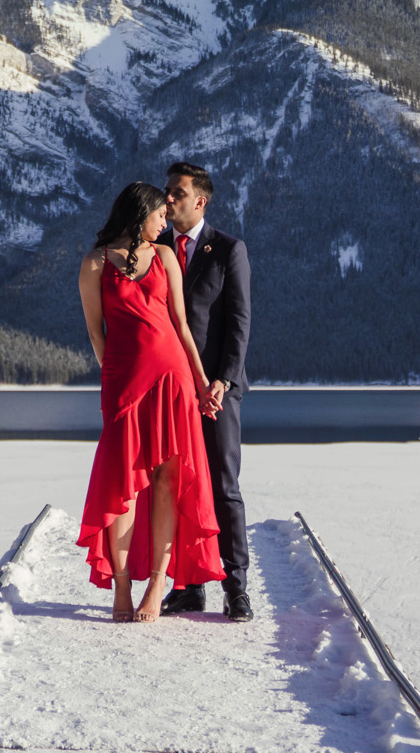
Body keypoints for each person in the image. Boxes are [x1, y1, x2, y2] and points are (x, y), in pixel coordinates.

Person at [76, 180, 226, 623]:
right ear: (140, 212)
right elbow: (94, 332)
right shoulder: (95, 262)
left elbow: (181, 327)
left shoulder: (164, 258)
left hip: (173, 381)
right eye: (160, 214)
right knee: (123, 486)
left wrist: (200, 382)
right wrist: (114, 378)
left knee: (166, 481)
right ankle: (121, 585)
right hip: (124, 385)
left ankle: (157, 585)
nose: (166, 222)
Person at [159, 161, 253, 622]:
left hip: (217, 391)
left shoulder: (228, 250)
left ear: (202, 200)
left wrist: (223, 380)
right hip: (170, 391)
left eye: (178, 192)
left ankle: (236, 588)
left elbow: (238, 321)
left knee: (223, 488)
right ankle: (189, 585)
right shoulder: (156, 248)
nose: (169, 198)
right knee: (178, 489)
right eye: (167, 191)